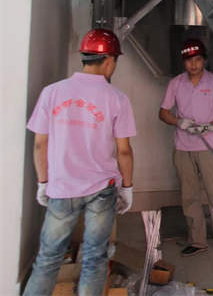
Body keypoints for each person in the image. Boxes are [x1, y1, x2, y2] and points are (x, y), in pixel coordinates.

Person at [24, 29, 135, 296]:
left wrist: (43, 182)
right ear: (109, 61)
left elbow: (40, 144)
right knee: (95, 256)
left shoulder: (52, 92)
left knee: (48, 257)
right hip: (102, 189)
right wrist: (128, 188)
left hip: (62, 187)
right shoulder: (117, 98)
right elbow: (124, 151)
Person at [158, 39, 213, 260]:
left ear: (204, 61)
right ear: (184, 62)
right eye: (189, 60)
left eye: (198, 60)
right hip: (183, 147)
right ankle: (197, 241)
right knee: (189, 195)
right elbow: (163, 112)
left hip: (210, 146)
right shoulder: (176, 83)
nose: (193, 64)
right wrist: (178, 122)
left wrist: (210, 125)